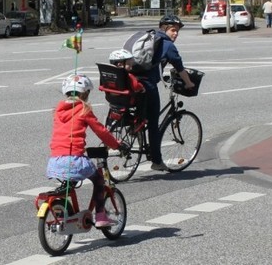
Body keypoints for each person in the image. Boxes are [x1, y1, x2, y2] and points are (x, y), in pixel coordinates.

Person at [46, 74, 128, 227]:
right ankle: (101, 216)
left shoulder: (58, 111)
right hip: (74, 160)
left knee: (70, 179)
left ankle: (67, 212)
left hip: (55, 161)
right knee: (99, 180)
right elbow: (101, 131)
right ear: (85, 93)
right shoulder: (83, 109)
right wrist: (117, 144)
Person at [134, 15, 195, 171]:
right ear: (164, 29)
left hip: (131, 82)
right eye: (173, 30)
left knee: (139, 115)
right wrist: (189, 83)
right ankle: (156, 161)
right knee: (153, 124)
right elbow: (180, 69)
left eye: (177, 31)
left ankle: (130, 128)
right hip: (147, 85)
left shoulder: (148, 38)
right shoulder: (168, 46)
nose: (176, 34)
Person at [108, 49, 146, 124]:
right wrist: (142, 88)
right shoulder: (128, 76)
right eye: (129, 63)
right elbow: (136, 86)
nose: (131, 66)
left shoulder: (110, 75)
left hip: (112, 98)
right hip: (127, 100)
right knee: (143, 96)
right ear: (120, 65)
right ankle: (141, 118)